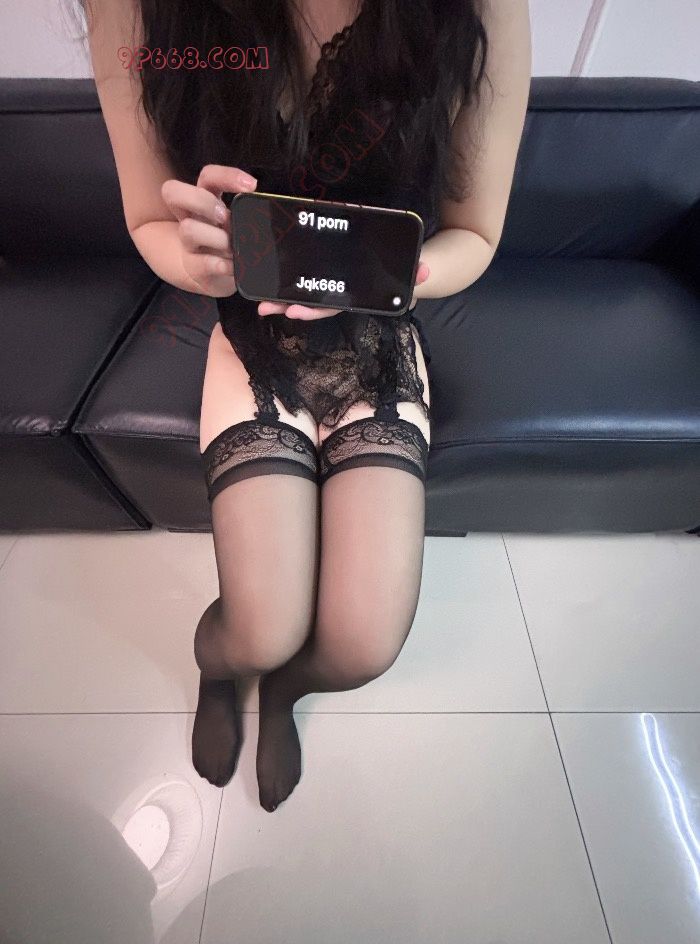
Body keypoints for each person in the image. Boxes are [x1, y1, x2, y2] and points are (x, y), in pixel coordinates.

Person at [79, 0, 531, 812]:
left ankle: (285, 692)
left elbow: (476, 233)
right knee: (260, 627)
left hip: (376, 331)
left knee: (361, 645)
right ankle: (226, 671)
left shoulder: (483, 6)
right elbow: (148, 216)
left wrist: (381, 276)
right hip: (252, 331)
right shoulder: (131, 6)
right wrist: (199, 259)